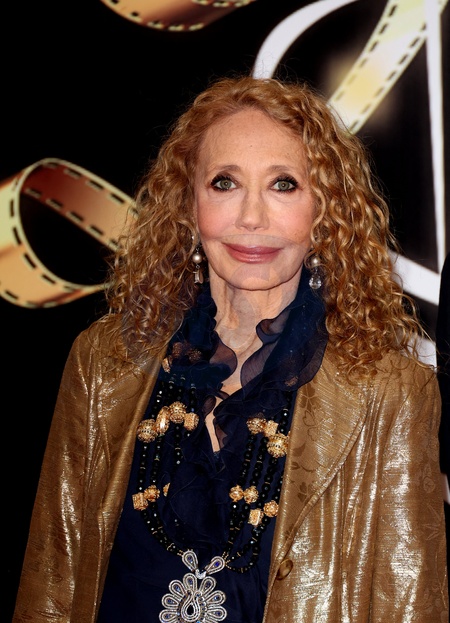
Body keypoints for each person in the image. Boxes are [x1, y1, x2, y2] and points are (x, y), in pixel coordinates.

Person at [13, 75, 448, 623]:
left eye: (284, 184)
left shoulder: (391, 392)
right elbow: (52, 582)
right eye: (224, 183)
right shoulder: (102, 361)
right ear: (187, 203)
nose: (251, 217)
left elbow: (410, 604)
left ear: (325, 210)